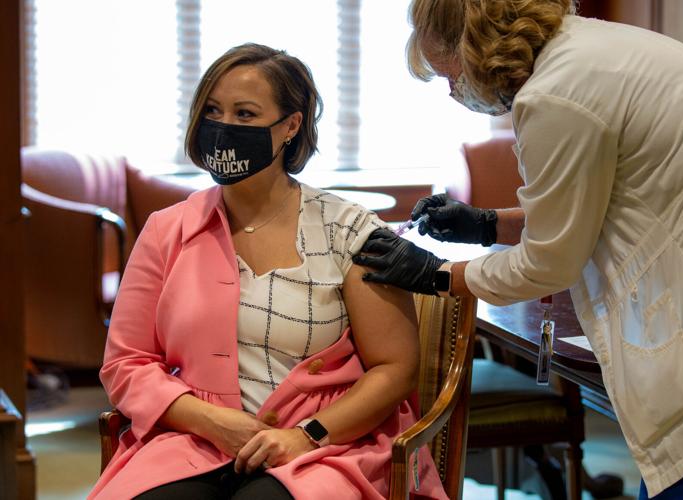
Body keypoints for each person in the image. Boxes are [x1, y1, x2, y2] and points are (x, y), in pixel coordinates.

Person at [353, 1, 683, 498]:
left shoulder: (555, 97)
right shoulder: (597, 49)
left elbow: (549, 263)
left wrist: (438, 274)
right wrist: (486, 225)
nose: (453, 92)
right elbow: (590, 206)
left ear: (475, 47)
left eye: (451, 76)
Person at [89, 43, 447, 500]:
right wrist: (215, 423)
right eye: (213, 111)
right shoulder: (167, 230)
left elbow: (394, 368)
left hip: (326, 447)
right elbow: (127, 363)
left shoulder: (348, 230)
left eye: (245, 115)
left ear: (290, 127)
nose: (223, 129)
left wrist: (306, 435)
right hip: (193, 440)